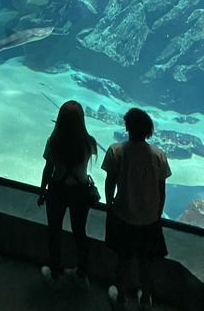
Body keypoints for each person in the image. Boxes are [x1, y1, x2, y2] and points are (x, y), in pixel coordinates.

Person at [102, 108, 171, 310]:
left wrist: (109, 204)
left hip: (123, 215)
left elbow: (109, 182)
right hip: (149, 219)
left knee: (123, 260)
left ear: (127, 127)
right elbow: (162, 190)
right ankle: (145, 299)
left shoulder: (116, 151)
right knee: (146, 262)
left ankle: (121, 296)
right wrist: (157, 213)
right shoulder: (158, 156)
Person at [38, 99, 98, 285]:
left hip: (57, 190)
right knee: (80, 232)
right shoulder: (89, 142)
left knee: (54, 231)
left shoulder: (54, 141)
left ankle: (55, 272)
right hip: (80, 191)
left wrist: (42, 190)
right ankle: (82, 273)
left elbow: (48, 169)